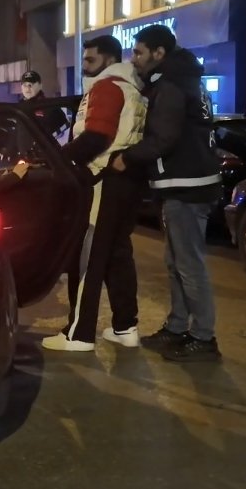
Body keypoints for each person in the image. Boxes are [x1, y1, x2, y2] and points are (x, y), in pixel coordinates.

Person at [110, 24, 224, 363]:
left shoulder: (171, 86)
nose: (134, 59)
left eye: (139, 52)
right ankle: (177, 328)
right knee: (177, 263)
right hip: (185, 183)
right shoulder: (183, 80)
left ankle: (203, 337)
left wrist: (128, 157)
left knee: (189, 265)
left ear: (159, 53)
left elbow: (164, 138)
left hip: (186, 185)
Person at [43, 35, 148, 353]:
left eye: (90, 60)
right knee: (117, 254)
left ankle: (79, 334)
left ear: (109, 59)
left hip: (103, 180)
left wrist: (59, 159)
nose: (85, 66)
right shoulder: (133, 88)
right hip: (127, 181)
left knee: (87, 258)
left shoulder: (107, 86)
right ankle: (125, 327)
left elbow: (97, 136)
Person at [19, 70, 70, 140]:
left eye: (31, 85)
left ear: (40, 86)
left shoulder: (50, 106)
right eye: (25, 85)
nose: (27, 88)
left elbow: (65, 130)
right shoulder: (18, 108)